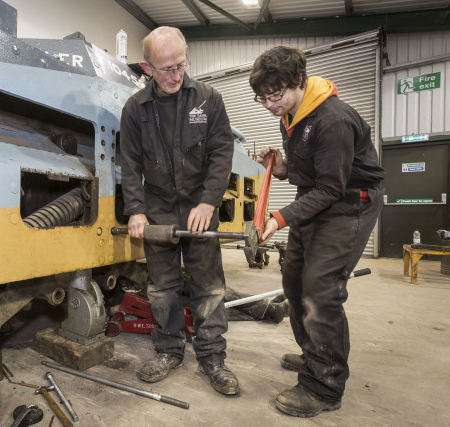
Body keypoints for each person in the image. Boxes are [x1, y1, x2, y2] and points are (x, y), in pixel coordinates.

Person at [249, 46, 386, 417]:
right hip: (318, 198)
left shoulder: (332, 119)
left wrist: (277, 219)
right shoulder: (291, 114)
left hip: (348, 203)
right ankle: (315, 357)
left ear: (298, 81)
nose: (268, 105)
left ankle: (324, 386)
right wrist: (282, 169)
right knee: (293, 281)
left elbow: (330, 187)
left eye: (274, 95)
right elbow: (310, 172)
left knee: (320, 289)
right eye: (262, 98)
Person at [120, 27, 238, 395]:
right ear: (147, 67)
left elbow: (221, 154)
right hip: (157, 209)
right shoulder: (134, 109)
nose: (175, 76)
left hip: (199, 206)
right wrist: (135, 210)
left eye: (180, 66)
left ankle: (212, 357)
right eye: (165, 68)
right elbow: (129, 164)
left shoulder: (208, 99)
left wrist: (209, 201)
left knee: (210, 287)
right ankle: (169, 349)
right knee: (163, 288)